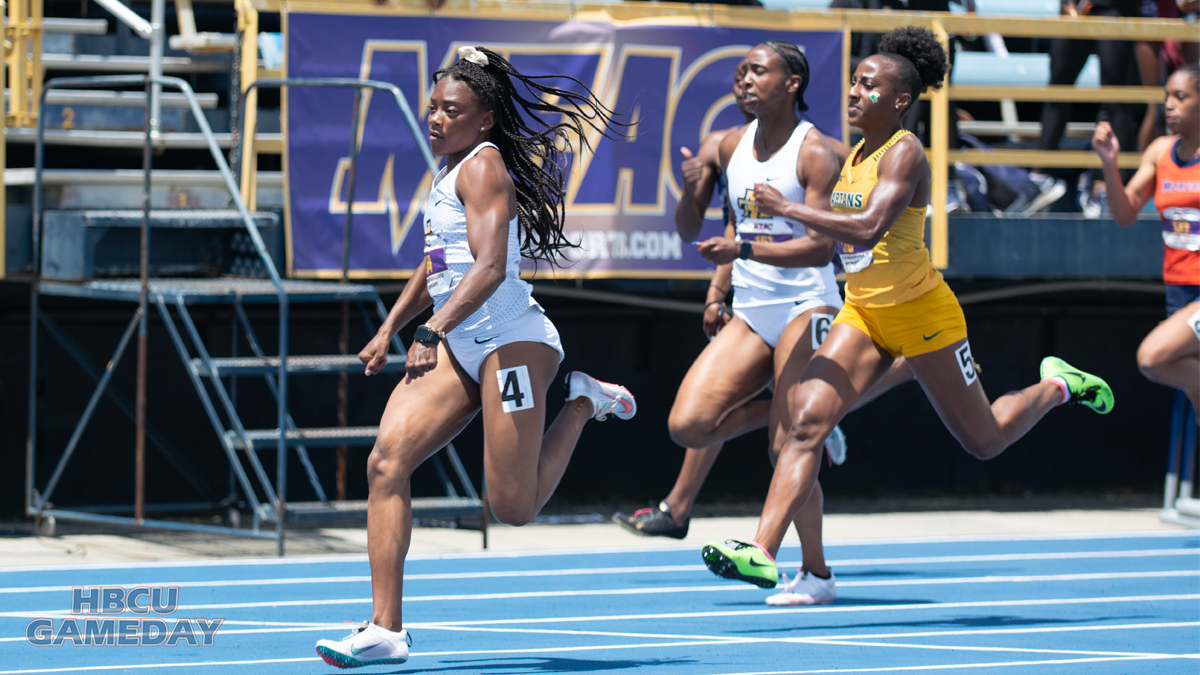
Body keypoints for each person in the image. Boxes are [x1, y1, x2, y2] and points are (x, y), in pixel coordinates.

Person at [701, 27, 1115, 591]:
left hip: (924, 316)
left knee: (985, 440)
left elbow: (869, 229)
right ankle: (764, 550)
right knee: (805, 424)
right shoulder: (851, 157)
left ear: (899, 101)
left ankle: (1057, 386)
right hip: (863, 314)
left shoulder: (906, 153)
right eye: (851, 82)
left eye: (867, 86)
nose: (853, 92)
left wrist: (790, 209)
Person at [314, 46, 635, 668]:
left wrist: (430, 332)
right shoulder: (447, 168)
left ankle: (582, 400)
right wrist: (389, 326)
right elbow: (438, 266)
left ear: (484, 118)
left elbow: (489, 270)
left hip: (512, 340)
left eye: (450, 110)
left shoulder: (484, 170)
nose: (435, 119)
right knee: (386, 462)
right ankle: (386, 629)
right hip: (461, 339)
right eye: (432, 106)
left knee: (512, 508)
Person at [621, 42, 913, 608]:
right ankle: (817, 416)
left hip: (810, 303)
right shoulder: (726, 145)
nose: (744, 80)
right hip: (754, 310)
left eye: (758, 71)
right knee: (689, 425)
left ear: (793, 82)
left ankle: (816, 573)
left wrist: (744, 253)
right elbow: (692, 229)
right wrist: (691, 190)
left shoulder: (818, 153)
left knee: (788, 450)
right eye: (740, 72)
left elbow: (820, 247)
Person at [1092, 64, 1199, 420]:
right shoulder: (1159, 152)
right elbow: (1125, 214)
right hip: (1179, 293)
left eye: (1180, 97)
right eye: (1167, 96)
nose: (1169, 105)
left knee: (1152, 359)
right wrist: (1109, 163)